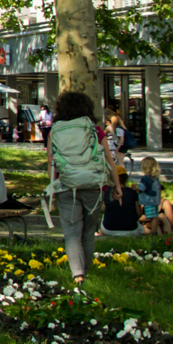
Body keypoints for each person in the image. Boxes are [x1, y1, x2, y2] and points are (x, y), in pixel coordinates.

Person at [47, 90, 110, 283]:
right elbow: (109, 160)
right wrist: (116, 185)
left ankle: (78, 275)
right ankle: (85, 271)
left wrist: (52, 189)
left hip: (66, 185)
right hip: (93, 185)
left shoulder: (54, 131)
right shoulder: (95, 130)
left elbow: (50, 163)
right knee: (88, 233)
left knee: (72, 234)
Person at [137, 157, 173, 235]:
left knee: (162, 217)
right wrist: (152, 218)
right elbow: (137, 217)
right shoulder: (143, 201)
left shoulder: (164, 203)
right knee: (159, 218)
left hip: (162, 226)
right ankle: (156, 235)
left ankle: (164, 235)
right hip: (146, 226)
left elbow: (171, 223)